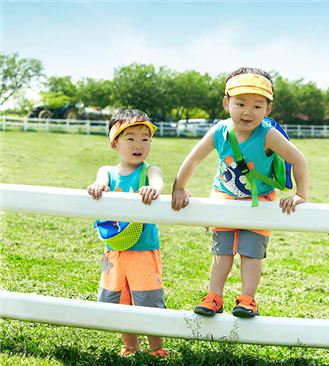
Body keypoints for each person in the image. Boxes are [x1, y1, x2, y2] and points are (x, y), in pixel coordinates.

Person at [171, 67, 308, 318]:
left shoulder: (269, 135)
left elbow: (298, 159)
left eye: (257, 106)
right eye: (240, 103)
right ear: (227, 103)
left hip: (259, 200)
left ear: (267, 110)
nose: (248, 111)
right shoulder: (219, 131)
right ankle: (214, 296)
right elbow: (193, 160)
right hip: (225, 196)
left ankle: (247, 299)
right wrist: (179, 187)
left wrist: (301, 194)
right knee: (222, 249)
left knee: (251, 251)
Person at [87, 109, 168, 357]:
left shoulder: (149, 171)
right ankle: (130, 347)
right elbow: (98, 182)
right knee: (121, 300)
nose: (139, 144)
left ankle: (157, 349)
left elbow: (158, 182)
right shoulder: (107, 172)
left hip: (143, 250)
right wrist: (98, 186)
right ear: (115, 143)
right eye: (130, 138)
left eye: (145, 138)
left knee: (147, 299)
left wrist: (153, 189)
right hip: (114, 250)